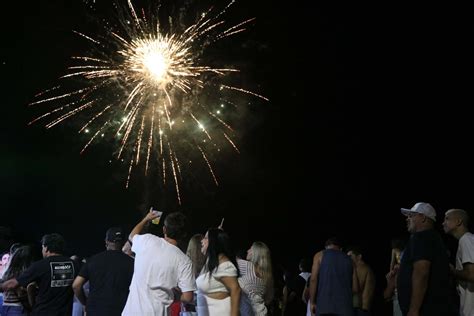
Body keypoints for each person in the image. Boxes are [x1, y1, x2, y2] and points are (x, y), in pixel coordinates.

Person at [121, 209, 195, 315]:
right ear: (184, 235)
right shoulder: (184, 261)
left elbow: (132, 236)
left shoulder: (146, 240)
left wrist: (146, 219)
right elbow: (188, 297)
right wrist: (175, 295)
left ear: (164, 229)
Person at [0, 233, 79, 315]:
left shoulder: (40, 265)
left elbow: (13, 284)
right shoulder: (74, 265)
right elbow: (78, 285)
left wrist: (1, 286)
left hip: (42, 312)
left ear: (46, 248)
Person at [397, 202, 454, 316]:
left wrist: (414, 310)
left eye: (411, 216)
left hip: (425, 310)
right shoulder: (434, 237)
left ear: (422, 217)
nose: (407, 219)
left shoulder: (421, 237)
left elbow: (421, 272)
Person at [72, 227, 134, 316]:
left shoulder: (93, 260)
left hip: (94, 311)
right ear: (124, 242)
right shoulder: (132, 263)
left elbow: (76, 285)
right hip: (120, 311)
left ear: (106, 241)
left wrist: (85, 303)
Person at [196, 228, 241, 316]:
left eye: (206, 238)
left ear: (213, 242)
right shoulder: (213, 262)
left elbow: (236, 290)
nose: (202, 241)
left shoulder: (224, 265)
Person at [309, 237, 358, 316]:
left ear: (326, 247)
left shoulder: (319, 256)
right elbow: (355, 288)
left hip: (323, 308)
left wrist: (312, 302)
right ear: (340, 249)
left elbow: (313, 279)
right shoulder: (350, 261)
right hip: (345, 309)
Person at [443, 208, 474, 316]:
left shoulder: (466, 240)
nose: (443, 223)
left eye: (446, 219)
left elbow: (472, 275)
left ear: (458, 221)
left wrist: (451, 271)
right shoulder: (467, 240)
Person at [238, 241, 274, 316]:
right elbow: (268, 299)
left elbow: (227, 259)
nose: (247, 251)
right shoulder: (267, 276)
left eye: (250, 249)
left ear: (256, 253)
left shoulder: (248, 266)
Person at [0, 245, 35, 316]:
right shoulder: (23, 274)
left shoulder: (7, 272)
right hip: (18, 307)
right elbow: (21, 293)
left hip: (6, 306)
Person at [346, 246, 375, 316]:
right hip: (363, 308)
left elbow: (356, 288)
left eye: (350, 256)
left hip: (361, 308)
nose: (347, 259)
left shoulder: (362, 268)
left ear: (359, 257)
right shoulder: (366, 268)